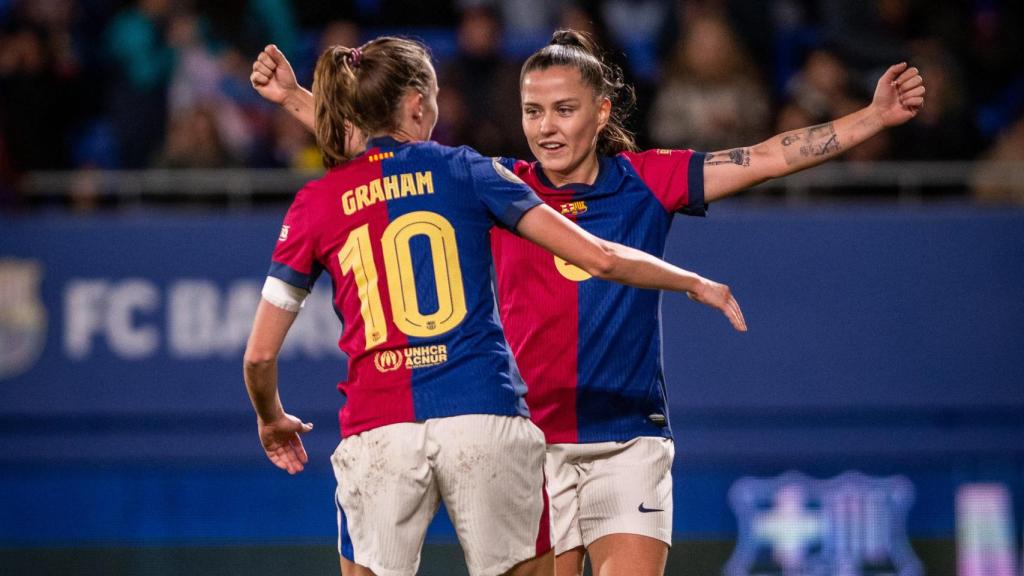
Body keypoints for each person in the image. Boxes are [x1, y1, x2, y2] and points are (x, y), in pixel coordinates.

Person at [250, 31, 924, 576]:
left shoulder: (650, 181)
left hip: (627, 439)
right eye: (533, 112)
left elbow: (768, 157)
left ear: (601, 112)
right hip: (533, 448)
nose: (546, 127)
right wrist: (295, 99)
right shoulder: (496, 184)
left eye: (564, 110)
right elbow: (391, 162)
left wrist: (873, 117)